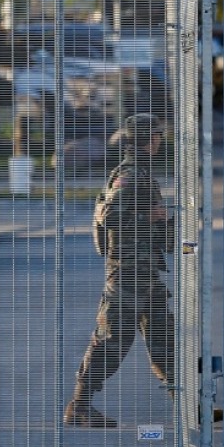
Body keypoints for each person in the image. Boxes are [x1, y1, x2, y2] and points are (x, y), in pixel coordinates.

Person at [64, 113, 175, 428]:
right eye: (155, 134)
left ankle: (187, 406)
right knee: (111, 340)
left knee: (165, 339)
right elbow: (109, 216)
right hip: (126, 273)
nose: (159, 140)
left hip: (145, 273)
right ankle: (80, 406)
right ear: (144, 139)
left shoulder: (140, 172)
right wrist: (149, 219)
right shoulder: (129, 175)